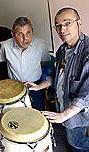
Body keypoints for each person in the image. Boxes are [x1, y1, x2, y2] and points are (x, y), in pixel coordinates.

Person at [42, 7, 89, 151]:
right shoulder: (62, 49)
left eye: (67, 23)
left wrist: (64, 115)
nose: (62, 30)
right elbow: (57, 75)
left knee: (77, 143)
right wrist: (39, 86)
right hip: (63, 108)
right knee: (71, 139)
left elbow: (87, 93)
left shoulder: (87, 52)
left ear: (79, 24)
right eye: (58, 25)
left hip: (77, 116)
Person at [0, 17, 52, 110]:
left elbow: (44, 63)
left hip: (36, 87)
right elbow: (3, 63)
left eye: (28, 33)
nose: (25, 38)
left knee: (38, 113)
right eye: (20, 34)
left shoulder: (41, 44)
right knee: (19, 115)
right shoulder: (5, 46)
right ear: (13, 34)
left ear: (32, 31)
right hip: (14, 88)